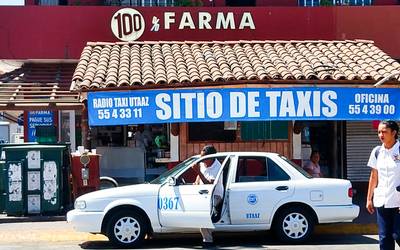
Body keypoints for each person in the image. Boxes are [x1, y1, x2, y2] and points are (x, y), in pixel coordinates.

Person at [366, 120, 400, 250]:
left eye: (384, 131)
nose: (381, 134)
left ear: (394, 133)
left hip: (398, 201)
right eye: (379, 132)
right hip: (382, 201)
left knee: (398, 235)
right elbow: (374, 176)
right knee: (384, 238)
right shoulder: (377, 151)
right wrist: (369, 198)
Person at [191, 145, 223, 248]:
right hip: (202, 193)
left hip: (215, 195)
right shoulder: (203, 164)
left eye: (204, 158)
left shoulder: (217, 166)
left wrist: (198, 171)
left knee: (202, 212)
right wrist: (195, 183)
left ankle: (208, 240)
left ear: (211, 157)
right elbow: (199, 177)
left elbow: (210, 185)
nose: (202, 160)